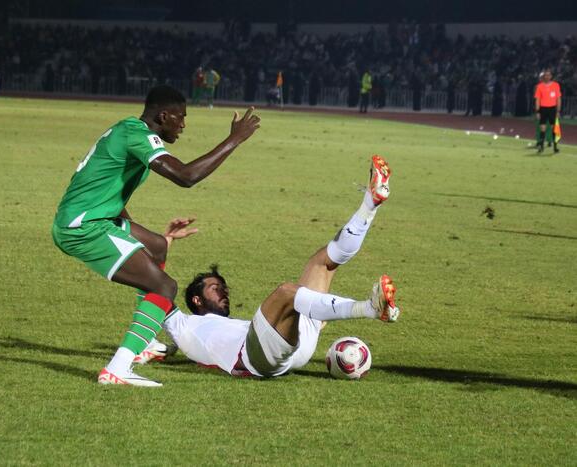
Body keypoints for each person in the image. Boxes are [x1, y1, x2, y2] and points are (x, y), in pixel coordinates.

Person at [51, 85, 261, 386]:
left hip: (95, 216)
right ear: (163, 116)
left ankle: (146, 339)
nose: (183, 125)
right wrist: (234, 139)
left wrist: (132, 236)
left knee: (157, 245)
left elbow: (103, 185)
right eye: (181, 117)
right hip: (82, 226)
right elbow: (186, 176)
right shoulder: (137, 135)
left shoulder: (127, 130)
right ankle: (118, 369)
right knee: (165, 286)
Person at [157, 156, 399, 379]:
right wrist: (166, 240)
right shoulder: (182, 325)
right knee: (286, 293)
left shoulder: (232, 324)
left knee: (322, 262)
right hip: (255, 358)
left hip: (289, 345)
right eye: (214, 288)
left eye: (223, 287)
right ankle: (369, 308)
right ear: (197, 300)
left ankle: (370, 203)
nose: (224, 291)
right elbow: (152, 284)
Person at [534, 69, 561, 154]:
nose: (547, 76)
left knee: (554, 128)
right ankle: (541, 146)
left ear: (551, 76)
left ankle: (555, 147)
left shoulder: (556, 85)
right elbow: (537, 99)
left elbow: (558, 98)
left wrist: (558, 111)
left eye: (549, 75)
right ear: (544, 76)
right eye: (545, 75)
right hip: (543, 109)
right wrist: (537, 111)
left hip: (552, 109)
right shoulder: (539, 86)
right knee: (542, 128)